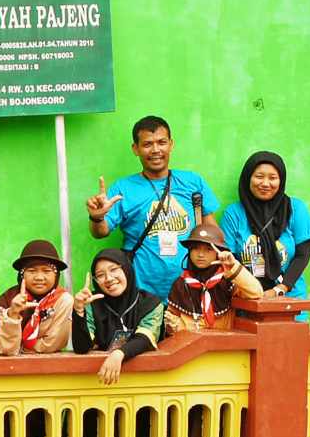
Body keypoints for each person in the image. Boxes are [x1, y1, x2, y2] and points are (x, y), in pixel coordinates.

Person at [86, 115, 220, 300]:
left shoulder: (192, 182)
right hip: (141, 293)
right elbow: (101, 232)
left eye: (161, 142)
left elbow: (211, 232)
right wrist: (97, 217)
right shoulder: (123, 188)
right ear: (136, 149)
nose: (156, 150)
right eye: (147, 144)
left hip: (190, 289)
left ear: (171, 144)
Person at [220, 151, 310, 309]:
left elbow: (303, 255)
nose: (265, 183)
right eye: (259, 176)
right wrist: (247, 290)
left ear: (281, 180)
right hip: (247, 302)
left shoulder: (296, 209)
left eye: (273, 178)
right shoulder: (234, 213)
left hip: (289, 302)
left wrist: (280, 289)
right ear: (247, 178)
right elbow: (227, 259)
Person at [73, 249, 165, 385]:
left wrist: (119, 354)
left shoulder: (150, 303)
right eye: (100, 275)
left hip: (145, 383)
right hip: (99, 383)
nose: (108, 278)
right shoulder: (92, 304)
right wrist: (79, 311)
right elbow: (82, 347)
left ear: (127, 269)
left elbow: (145, 339)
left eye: (113, 269)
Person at [165, 225, 262, 334]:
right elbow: (171, 322)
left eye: (208, 249)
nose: (201, 254)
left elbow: (256, 292)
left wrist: (233, 266)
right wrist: (185, 328)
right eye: (195, 248)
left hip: (224, 346)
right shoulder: (181, 283)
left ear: (218, 252)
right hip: (191, 346)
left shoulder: (227, 280)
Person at [0, 240, 73, 356]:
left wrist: (23, 349)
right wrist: (13, 314)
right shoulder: (7, 300)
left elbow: (52, 344)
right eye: (31, 271)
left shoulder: (63, 301)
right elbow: (5, 349)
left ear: (56, 275)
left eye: (46, 271)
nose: (39, 277)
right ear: (22, 274)